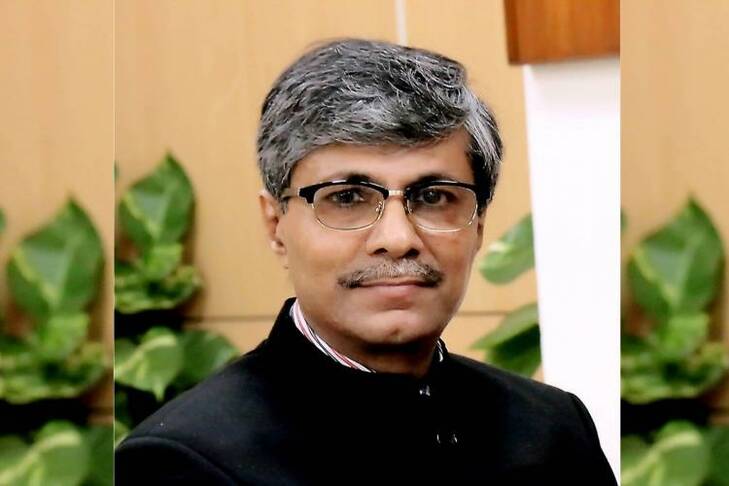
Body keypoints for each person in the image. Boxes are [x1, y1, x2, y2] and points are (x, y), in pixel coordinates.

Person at [115, 38, 616, 485]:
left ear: (478, 224)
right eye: (348, 197)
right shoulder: (184, 462)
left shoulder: (552, 429)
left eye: (434, 197)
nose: (398, 239)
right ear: (275, 225)